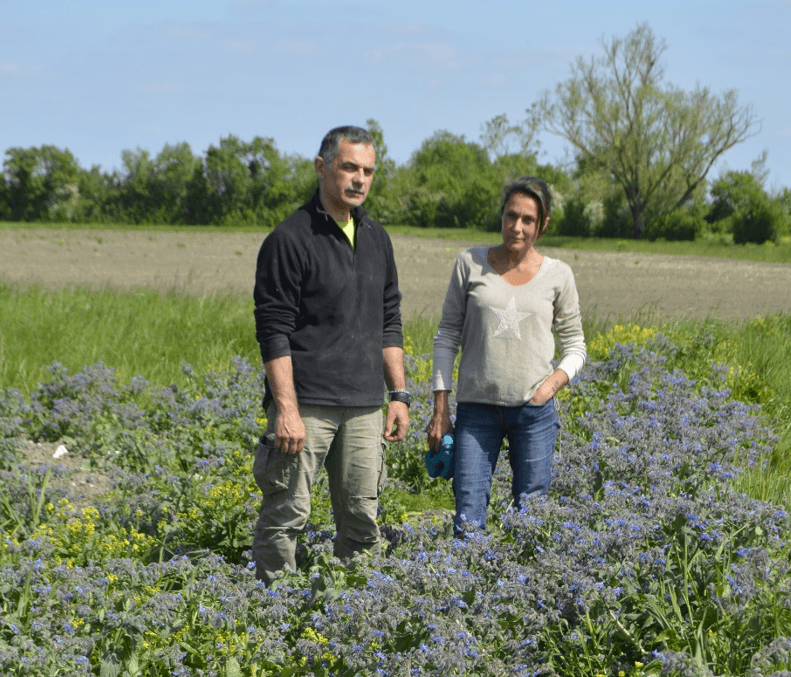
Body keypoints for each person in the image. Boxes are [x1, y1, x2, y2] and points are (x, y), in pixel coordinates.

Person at [252, 125, 410, 585]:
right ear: (322, 168)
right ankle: (272, 614)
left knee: (362, 521)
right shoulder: (290, 238)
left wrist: (398, 393)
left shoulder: (377, 238)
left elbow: (390, 320)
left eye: (368, 171)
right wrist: (286, 409)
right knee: (287, 516)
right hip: (307, 406)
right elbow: (273, 331)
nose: (359, 179)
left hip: (364, 405)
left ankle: (349, 623)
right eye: (349, 168)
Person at [427, 176, 586, 534]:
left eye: (528, 220)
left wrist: (549, 387)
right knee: (467, 513)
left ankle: (521, 588)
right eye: (511, 216)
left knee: (530, 513)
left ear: (542, 225)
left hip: (533, 414)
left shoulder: (559, 275)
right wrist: (441, 407)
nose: (517, 227)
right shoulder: (469, 263)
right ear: (501, 217)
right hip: (476, 410)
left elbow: (576, 344)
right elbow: (446, 335)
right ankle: (465, 585)